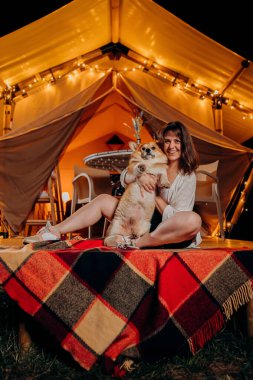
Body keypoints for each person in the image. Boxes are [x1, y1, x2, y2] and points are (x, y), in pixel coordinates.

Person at [24, 121, 202, 248]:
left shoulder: (187, 175)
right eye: (167, 141)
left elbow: (177, 217)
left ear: (184, 144)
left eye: (177, 141)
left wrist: (154, 196)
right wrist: (139, 176)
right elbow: (125, 177)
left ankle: (138, 243)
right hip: (140, 220)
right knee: (103, 199)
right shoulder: (152, 160)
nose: (171, 146)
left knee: (193, 220)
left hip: (167, 231)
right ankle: (54, 231)